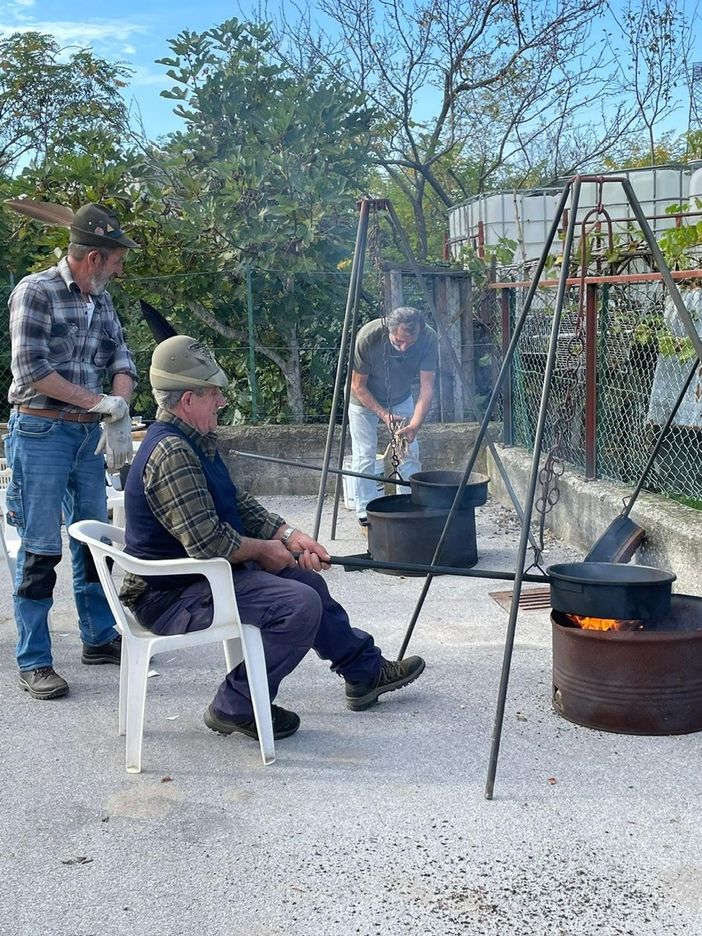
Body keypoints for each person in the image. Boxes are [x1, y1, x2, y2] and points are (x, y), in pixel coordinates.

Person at [120, 335, 425, 742]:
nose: (222, 402)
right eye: (214, 394)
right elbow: (209, 545)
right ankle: (234, 706)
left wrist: (289, 535)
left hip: (198, 580)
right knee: (298, 605)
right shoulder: (172, 453)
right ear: (188, 400)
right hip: (172, 596)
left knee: (308, 581)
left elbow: (237, 504)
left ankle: (364, 673)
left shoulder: (194, 441)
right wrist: (266, 551)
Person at [5, 203, 139, 700]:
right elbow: (32, 370)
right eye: (116, 259)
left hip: (87, 438)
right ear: (93, 258)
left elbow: (120, 356)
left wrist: (119, 405)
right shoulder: (35, 292)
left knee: (93, 541)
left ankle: (99, 638)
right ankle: (35, 660)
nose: (121, 268)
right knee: (40, 548)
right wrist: (99, 401)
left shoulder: (101, 302)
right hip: (40, 433)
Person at [349, 306, 437, 529]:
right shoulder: (368, 337)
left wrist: (415, 425)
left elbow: (427, 388)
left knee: (409, 452)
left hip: (401, 397)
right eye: (398, 342)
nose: (404, 347)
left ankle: (410, 503)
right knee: (365, 455)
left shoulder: (428, 337)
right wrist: (383, 415)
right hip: (364, 400)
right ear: (389, 331)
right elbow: (358, 386)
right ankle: (365, 512)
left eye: (410, 342)